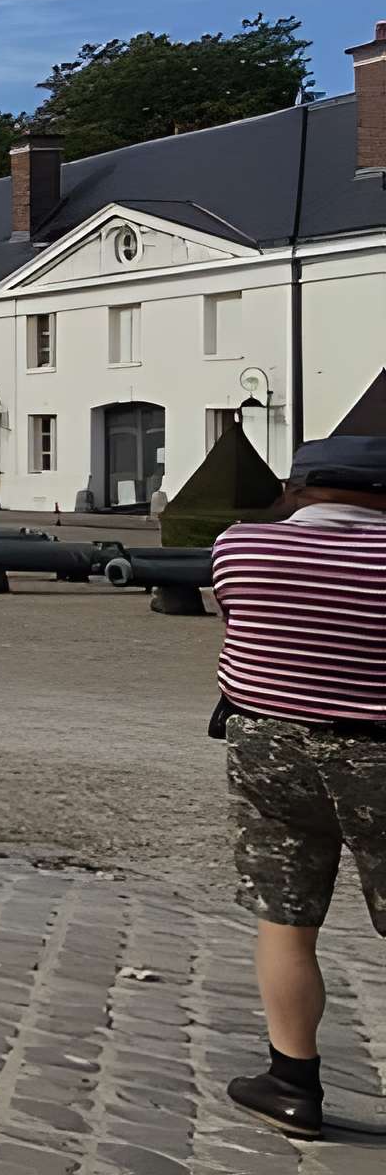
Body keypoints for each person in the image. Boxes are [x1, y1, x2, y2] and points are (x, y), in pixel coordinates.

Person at [218, 435, 386, 1139]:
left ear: (300, 486)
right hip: (381, 749)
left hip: (269, 742)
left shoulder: (240, 546)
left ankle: (292, 1084)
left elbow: (235, 620)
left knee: (286, 918)